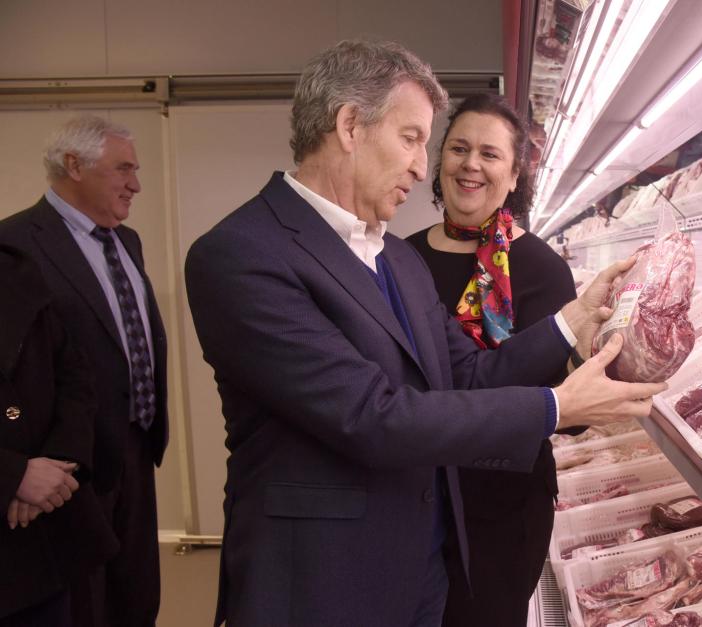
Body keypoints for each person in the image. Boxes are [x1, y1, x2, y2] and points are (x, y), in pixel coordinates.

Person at [184, 40, 665, 627]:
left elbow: (465, 373)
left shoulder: (394, 259)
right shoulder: (242, 255)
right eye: (412, 138)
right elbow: (372, 417)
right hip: (323, 581)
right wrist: (553, 408)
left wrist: (574, 317)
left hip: (423, 570)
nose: (421, 165)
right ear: (350, 125)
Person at [406, 93, 575, 626]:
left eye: (489, 153)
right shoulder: (401, 259)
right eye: (458, 148)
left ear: (514, 171)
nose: (470, 165)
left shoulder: (542, 269)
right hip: (413, 494)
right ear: (440, 161)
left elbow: (568, 412)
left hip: (503, 504)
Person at [0, 116, 169, 627]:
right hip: (66, 467)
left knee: (136, 595)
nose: (136, 183)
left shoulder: (128, 241)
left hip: (136, 448)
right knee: (85, 607)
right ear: (73, 165)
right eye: (123, 169)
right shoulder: (16, 244)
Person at [0, 244, 119, 627]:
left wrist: (59, 464)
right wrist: (13, 475)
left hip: (44, 538)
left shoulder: (15, 267)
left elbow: (74, 378)